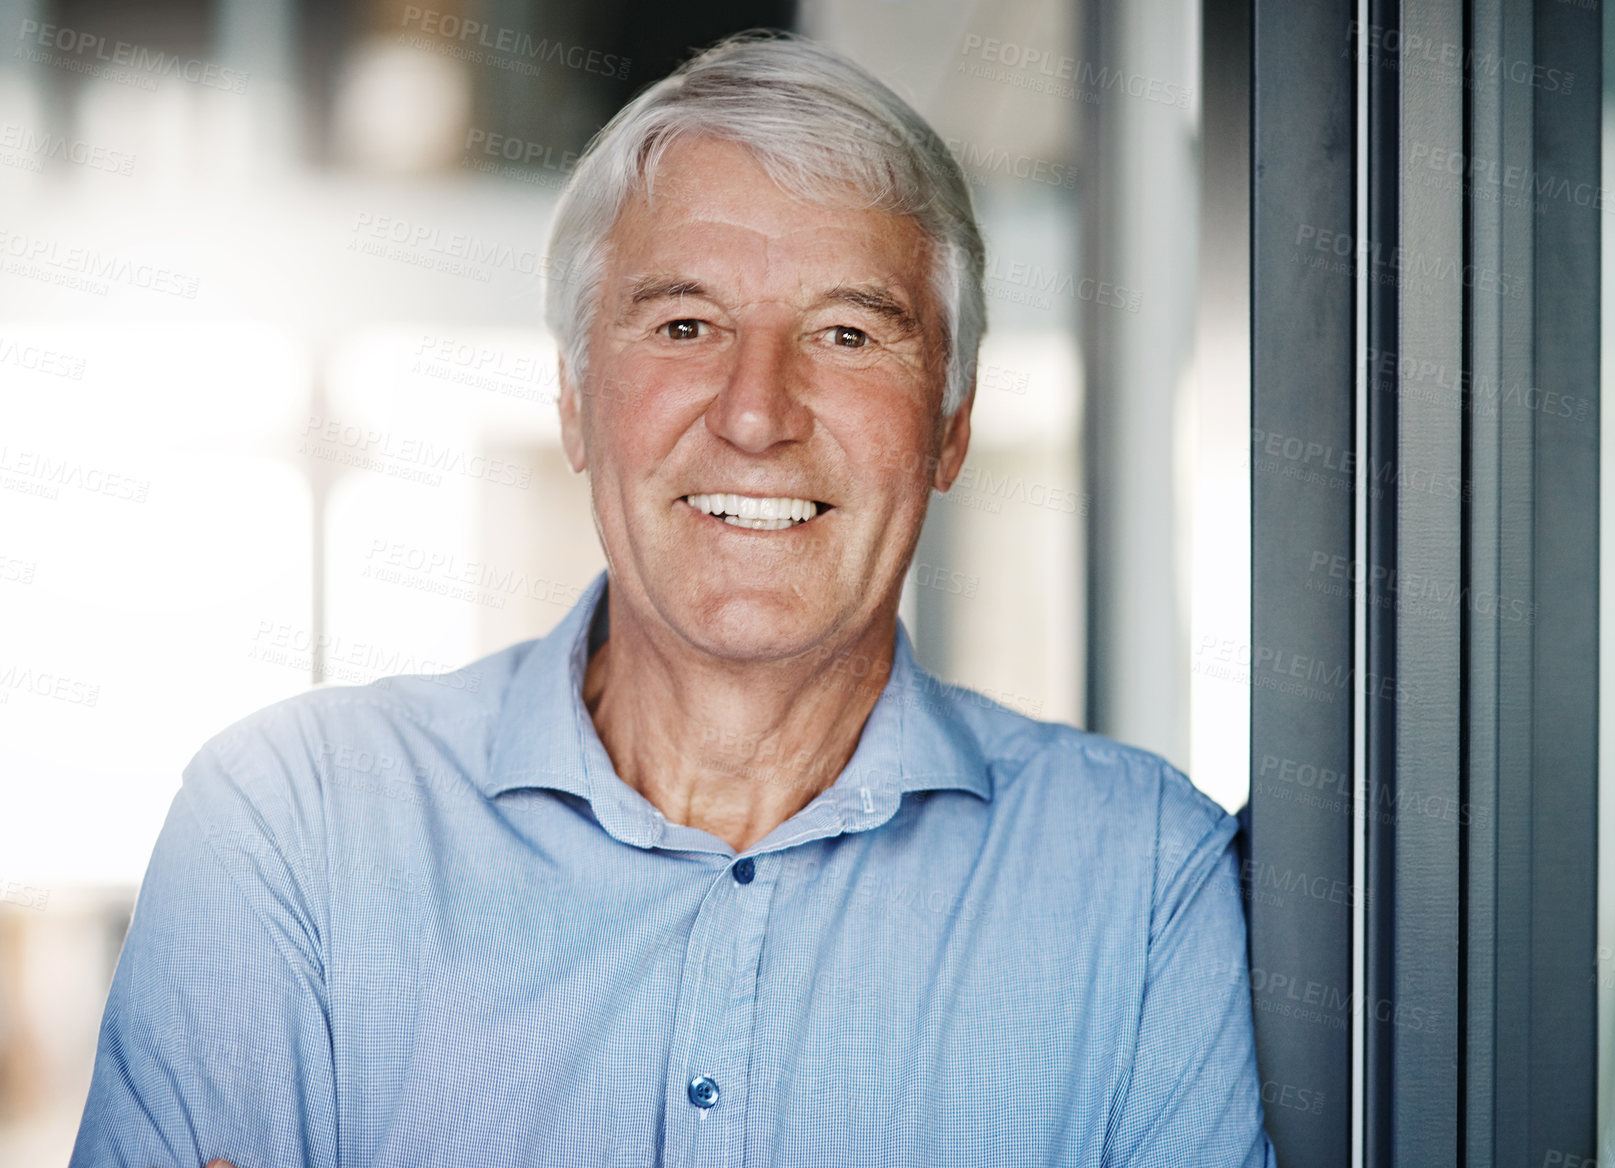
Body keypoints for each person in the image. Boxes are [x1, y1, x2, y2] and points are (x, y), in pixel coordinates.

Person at [70, 32, 1275, 1167]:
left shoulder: (1146, 885)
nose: (756, 412)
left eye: (849, 333)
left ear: (950, 423)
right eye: (686, 324)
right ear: (576, 400)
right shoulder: (291, 828)